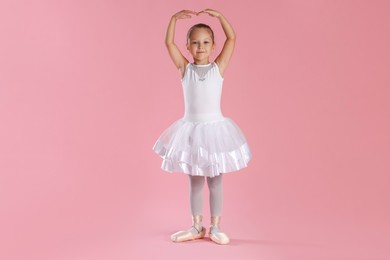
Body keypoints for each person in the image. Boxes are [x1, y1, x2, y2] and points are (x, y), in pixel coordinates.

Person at [153, 8, 252, 245]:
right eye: (195, 43)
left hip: (215, 132)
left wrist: (220, 18)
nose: (200, 47)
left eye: (206, 42)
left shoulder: (218, 68)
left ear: (213, 45)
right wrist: (173, 19)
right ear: (187, 47)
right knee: (195, 181)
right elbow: (168, 43)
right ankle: (196, 225)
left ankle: (216, 226)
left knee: (215, 180)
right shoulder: (184, 69)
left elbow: (233, 38)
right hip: (191, 131)